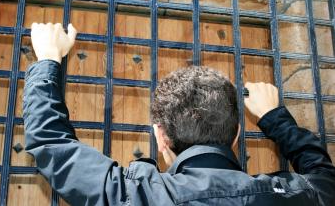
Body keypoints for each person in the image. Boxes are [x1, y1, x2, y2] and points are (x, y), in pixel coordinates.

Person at [24, 22, 335, 206]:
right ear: (238, 132)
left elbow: (52, 146)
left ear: (160, 136)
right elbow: (325, 178)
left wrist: (48, 58)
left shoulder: (138, 195)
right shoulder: (292, 195)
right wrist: (274, 117)